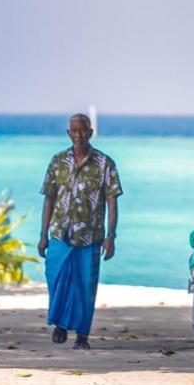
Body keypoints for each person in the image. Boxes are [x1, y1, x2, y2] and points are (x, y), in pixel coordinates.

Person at [38, 112, 122, 350]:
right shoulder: (57, 162)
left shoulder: (106, 163)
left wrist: (111, 236)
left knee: (85, 287)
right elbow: (49, 199)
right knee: (56, 279)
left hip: (90, 236)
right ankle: (61, 324)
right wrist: (43, 235)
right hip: (59, 234)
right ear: (68, 133)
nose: (78, 135)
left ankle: (82, 336)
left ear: (90, 132)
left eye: (83, 130)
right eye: (74, 131)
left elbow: (112, 202)